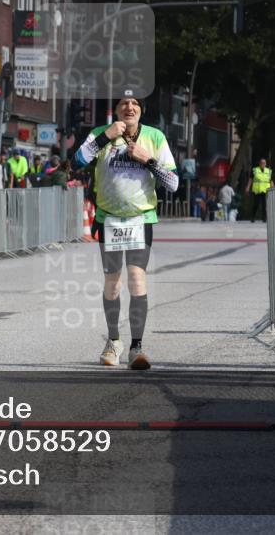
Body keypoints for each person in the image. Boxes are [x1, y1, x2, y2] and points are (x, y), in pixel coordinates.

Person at [74, 93, 179, 370]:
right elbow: (77, 162)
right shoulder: (100, 134)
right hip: (108, 219)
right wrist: (104, 137)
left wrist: (148, 160)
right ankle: (113, 341)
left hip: (140, 218)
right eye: (124, 104)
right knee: (113, 283)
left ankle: (137, 347)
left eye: (135, 104)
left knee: (136, 279)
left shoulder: (155, 137)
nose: (129, 107)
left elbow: (173, 183)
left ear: (141, 111)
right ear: (116, 110)